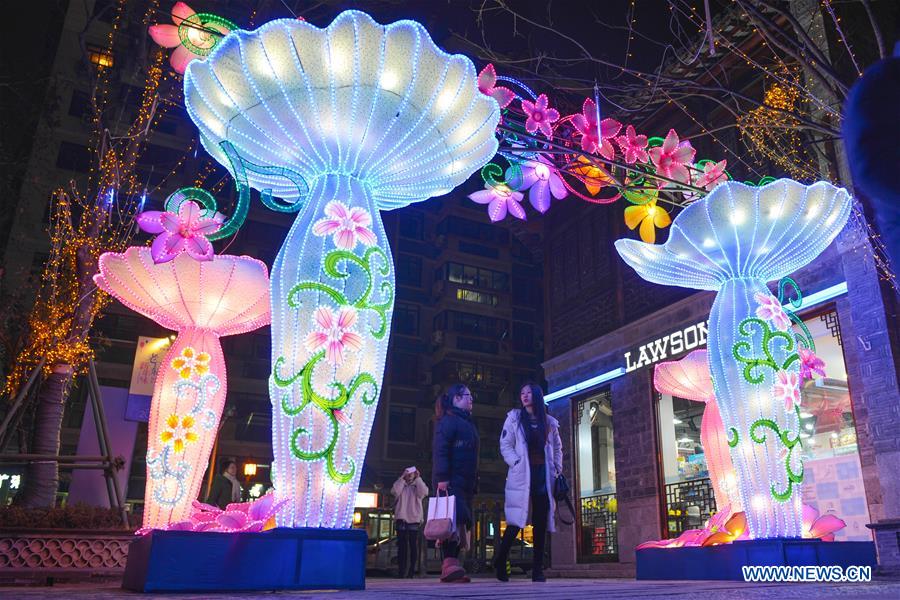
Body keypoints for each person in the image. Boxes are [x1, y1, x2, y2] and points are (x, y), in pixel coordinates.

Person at [495, 382, 563, 583]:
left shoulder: (549, 422)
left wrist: (557, 468)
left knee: (540, 522)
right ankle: (501, 559)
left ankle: (537, 570)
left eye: (529, 393)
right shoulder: (514, 418)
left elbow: (557, 448)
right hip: (521, 474)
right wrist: (516, 462)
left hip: (543, 475)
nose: (524, 396)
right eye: (522, 393)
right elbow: (505, 444)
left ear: (537, 396)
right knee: (516, 520)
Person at [431, 383, 479, 583]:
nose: (471, 399)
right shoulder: (448, 421)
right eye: (467, 395)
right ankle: (449, 565)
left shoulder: (466, 422)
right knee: (451, 521)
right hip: (451, 480)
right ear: (456, 399)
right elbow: (440, 450)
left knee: (460, 522)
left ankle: (453, 566)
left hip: (465, 481)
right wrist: (442, 477)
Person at [391, 466, 428, 578]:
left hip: (414, 518)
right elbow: (395, 491)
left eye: (412, 473)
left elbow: (424, 492)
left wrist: (419, 479)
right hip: (401, 517)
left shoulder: (417, 485)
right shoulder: (401, 484)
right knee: (402, 546)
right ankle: (402, 571)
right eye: (408, 473)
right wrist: (402, 478)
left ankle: (411, 571)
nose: (410, 475)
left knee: (413, 545)